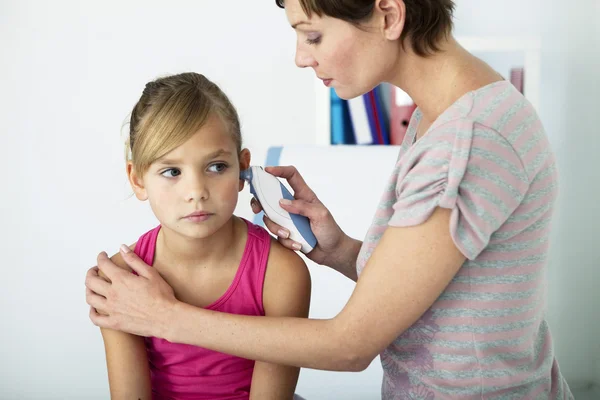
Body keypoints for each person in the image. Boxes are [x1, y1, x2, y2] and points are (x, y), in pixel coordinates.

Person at [85, 0, 574, 398]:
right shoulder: (448, 116)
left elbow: (350, 346)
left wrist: (164, 318)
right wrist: (339, 250)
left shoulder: (467, 141)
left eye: (312, 34)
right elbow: (439, 294)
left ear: (388, 15)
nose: (301, 56)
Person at [94, 72, 311, 400]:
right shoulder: (121, 281)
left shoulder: (280, 274)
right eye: (172, 172)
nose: (196, 192)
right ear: (137, 179)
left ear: (242, 168)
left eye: (216, 167)